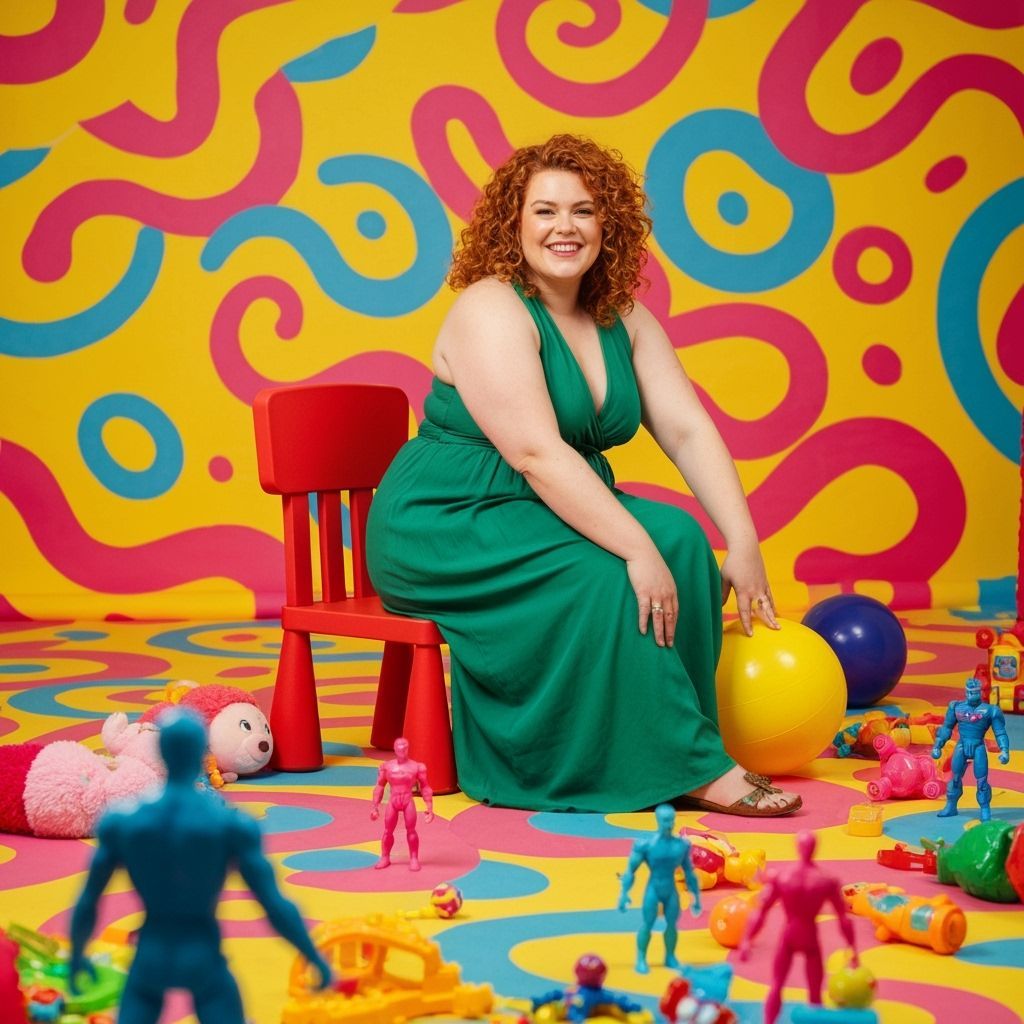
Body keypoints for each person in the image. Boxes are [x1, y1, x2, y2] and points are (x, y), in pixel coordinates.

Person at [366, 133, 801, 815]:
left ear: (609, 224)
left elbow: (686, 429)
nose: (564, 228)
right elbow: (535, 454)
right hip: (450, 519)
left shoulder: (623, 316)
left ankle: (676, 749)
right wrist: (634, 549)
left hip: (542, 504)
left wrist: (742, 539)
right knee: (612, 572)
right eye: (544, 211)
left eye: (583, 211)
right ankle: (662, 768)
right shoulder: (490, 308)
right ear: (513, 224)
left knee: (683, 542)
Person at [69, 708, 332, 1024]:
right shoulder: (229, 825)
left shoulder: (123, 822)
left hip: (152, 953)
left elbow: (88, 901)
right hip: (202, 954)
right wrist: (312, 954)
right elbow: (274, 904)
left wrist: (77, 955)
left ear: (160, 750)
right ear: (202, 753)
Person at [738, 830, 858, 1024]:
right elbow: (843, 918)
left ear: (797, 848)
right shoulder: (826, 880)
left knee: (778, 985)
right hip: (809, 937)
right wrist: (852, 949)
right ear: (814, 849)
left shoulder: (783, 877)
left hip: (790, 935)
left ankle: (769, 1021)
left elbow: (761, 911)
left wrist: (746, 939)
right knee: (813, 993)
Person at [617, 803, 702, 974]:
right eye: (664, 820)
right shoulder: (646, 846)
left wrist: (696, 898)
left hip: (670, 890)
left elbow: (689, 873)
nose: (668, 824)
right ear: (657, 820)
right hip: (654, 888)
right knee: (648, 923)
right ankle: (641, 958)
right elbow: (630, 871)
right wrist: (624, 894)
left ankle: (670, 957)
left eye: (671, 820)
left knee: (672, 924)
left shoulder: (681, 846)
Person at [931, 675, 1011, 820]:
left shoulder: (990, 710)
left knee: (981, 782)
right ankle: (951, 805)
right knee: (955, 778)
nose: (971, 695)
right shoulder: (956, 707)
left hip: (978, 746)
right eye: (969, 692)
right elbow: (947, 728)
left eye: (974, 692)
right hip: (962, 745)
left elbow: (1000, 732)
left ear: (980, 692)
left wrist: (1004, 750)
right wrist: (938, 745)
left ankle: (985, 808)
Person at [370, 736, 434, 870]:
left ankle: (414, 858)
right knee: (388, 830)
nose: (402, 751)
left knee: (411, 830)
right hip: (393, 801)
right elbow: (380, 786)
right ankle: (385, 857)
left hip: (407, 800)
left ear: (408, 749)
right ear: (394, 749)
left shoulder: (417, 767)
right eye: (399, 749)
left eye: (404, 749)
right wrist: (375, 807)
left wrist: (429, 807)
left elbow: (425, 787)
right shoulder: (387, 767)